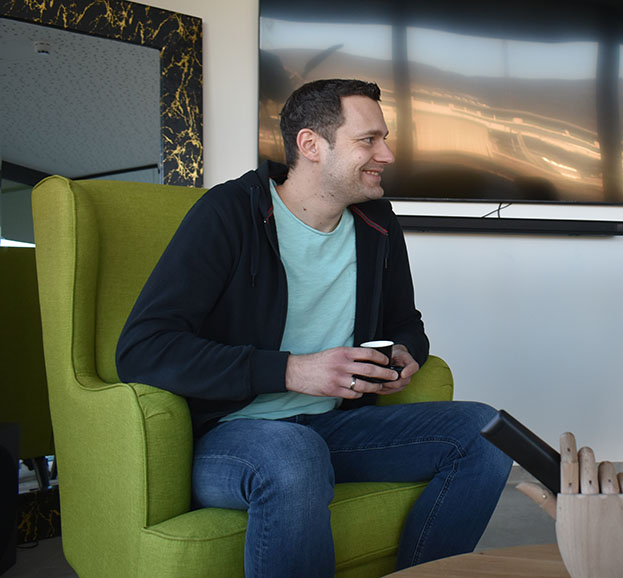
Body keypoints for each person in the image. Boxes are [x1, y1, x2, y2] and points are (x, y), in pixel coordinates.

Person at [116, 79, 513, 577]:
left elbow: (405, 322)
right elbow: (143, 349)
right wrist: (290, 371)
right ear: (310, 145)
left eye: (384, 138)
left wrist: (404, 351)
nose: (386, 154)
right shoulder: (229, 214)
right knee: (293, 453)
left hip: (337, 427)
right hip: (233, 438)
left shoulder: (377, 223)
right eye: (369, 140)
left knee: (487, 432)